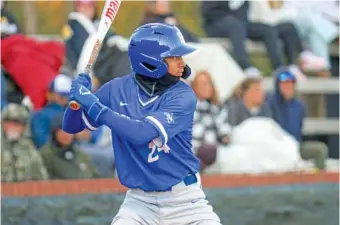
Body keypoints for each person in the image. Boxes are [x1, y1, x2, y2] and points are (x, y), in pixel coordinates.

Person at [63, 23, 221, 225]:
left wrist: (94, 106)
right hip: (139, 203)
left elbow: (142, 133)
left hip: (185, 201)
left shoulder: (183, 95)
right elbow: (71, 127)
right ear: (151, 62)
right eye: (174, 57)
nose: (182, 62)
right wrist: (76, 102)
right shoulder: (116, 89)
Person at [201, 0, 285, 76]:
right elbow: (207, 12)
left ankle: (279, 68)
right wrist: (229, 17)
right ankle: (245, 67)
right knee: (236, 26)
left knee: (268, 30)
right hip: (216, 24)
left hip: (241, 25)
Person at [268, 68, 328, 170]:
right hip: (275, 147)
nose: (288, 86)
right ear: (278, 86)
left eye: (290, 83)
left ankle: (317, 181)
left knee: (320, 149)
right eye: (284, 84)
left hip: (295, 146)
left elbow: (299, 129)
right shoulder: (269, 103)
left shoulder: (299, 106)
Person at [41, 115, 99, 179]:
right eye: (63, 131)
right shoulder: (45, 155)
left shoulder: (81, 154)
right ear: (55, 132)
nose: (67, 135)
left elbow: (96, 177)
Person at [1, 103, 49, 182]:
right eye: (9, 122)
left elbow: (42, 179)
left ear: (24, 127)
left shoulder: (30, 149)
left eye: (17, 124)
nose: (13, 127)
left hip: (25, 193)